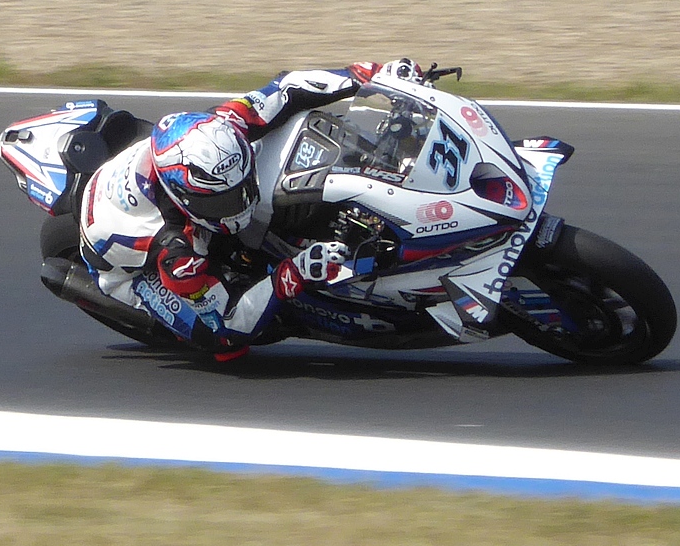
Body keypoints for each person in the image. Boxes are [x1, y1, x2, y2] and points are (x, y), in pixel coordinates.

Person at [79, 59, 423, 360]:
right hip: (130, 269)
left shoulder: (225, 124)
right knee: (226, 345)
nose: (241, 203)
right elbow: (227, 320)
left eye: (242, 185)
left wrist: (371, 75)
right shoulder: (177, 253)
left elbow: (288, 87)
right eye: (224, 200)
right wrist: (294, 273)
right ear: (185, 198)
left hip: (144, 180)